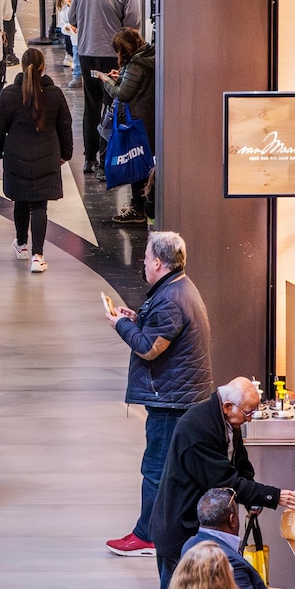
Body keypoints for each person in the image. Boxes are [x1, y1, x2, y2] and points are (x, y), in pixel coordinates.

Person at [104, 231, 216, 557]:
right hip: (179, 393)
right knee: (169, 466)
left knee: (155, 468)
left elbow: (151, 348)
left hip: (171, 399)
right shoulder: (178, 288)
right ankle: (162, 529)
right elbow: (163, 332)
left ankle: (149, 535)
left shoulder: (170, 297)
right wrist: (136, 319)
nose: (142, 262)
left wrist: (121, 326)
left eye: (145, 257)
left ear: (157, 261)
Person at [149, 379, 295, 589]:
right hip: (179, 528)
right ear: (227, 406)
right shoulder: (197, 428)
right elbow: (224, 480)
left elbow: (240, 464)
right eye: (248, 412)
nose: (250, 418)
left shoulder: (229, 422)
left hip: (201, 524)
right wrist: (272, 495)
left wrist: (253, 500)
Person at [0, 47, 73, 275]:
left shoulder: (10, 94)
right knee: (39, 205)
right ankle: (38, 255)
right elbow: (65, 125)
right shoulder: (54, 93)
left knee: (21, 201)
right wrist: (66, 153)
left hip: (16, 155)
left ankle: (21, 243)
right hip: (47, 155)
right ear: (43, 66)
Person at [72, 0, 141, 171]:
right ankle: (106, 158)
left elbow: (72, 16)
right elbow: (132, 23)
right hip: (114, 57)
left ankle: (88, 158)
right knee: (112, 106)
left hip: (87, 53)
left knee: (91, 105)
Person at [107, 27, 156, 223]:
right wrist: (122, 78)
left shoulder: (136, 63)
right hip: (148, 117)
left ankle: (138, 208)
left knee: (135, 162)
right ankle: (143, 205)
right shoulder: (149, 56)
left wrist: (107, 82)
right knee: (143, 161)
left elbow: (123, 94)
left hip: (137, 118)